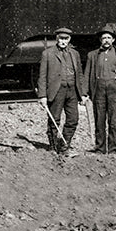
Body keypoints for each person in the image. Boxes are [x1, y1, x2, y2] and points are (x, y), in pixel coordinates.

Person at [82, 23, 116, 154]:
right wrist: (84, 93)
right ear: (100, 40)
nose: (106, 40)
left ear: (113, 40)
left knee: (114, 122)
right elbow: (87, 75)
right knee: (99, 121)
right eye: (104, 37)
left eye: (108, 37)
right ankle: (100, 149)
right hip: (98, 91)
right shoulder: (92, 55)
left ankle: (112, 151)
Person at [37, 27, 87, 155]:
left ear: (69, 39)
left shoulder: (74, 54)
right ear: (57, 39)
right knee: (54, 120)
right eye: (61, 39)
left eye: (66, 39)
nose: (63, 41)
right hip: (57, 91)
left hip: (72, 91)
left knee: (73, 119)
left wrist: (83, 93)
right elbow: (42, 76)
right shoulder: (47, 54)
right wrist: (42, 95)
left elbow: (80, 75)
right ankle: (53, 147)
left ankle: (64, 146)